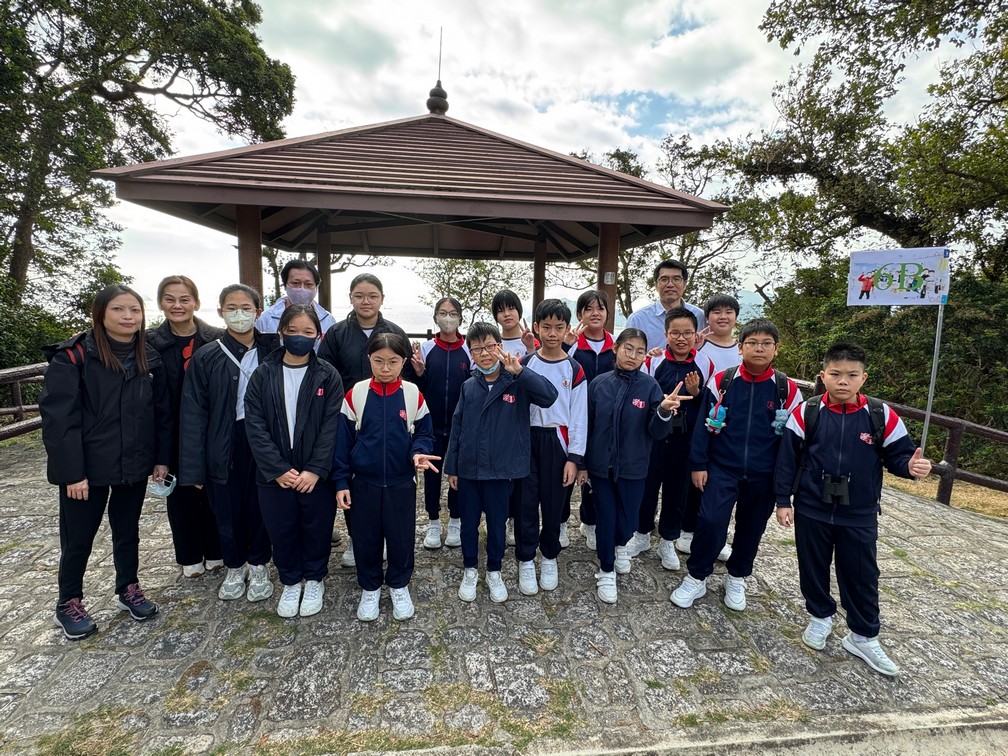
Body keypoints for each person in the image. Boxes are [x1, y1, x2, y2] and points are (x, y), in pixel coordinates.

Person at [774, 341, 932, 677]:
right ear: (823, 376)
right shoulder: (807, 412)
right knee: (812, 566)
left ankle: (863, 635)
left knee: (862, 574)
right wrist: (783, 501)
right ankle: (820, 617)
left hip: (859, 511)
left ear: (864, 378)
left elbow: (899, 456)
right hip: (812, 506)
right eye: (835, 374)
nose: (843, 381)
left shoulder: (880, 415)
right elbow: (787, 460)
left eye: (851, 375)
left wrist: (911, 467)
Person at [40, 285, 170, 639]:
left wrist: (160, 459)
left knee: (127, 531)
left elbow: (160, 413)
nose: (128, 316)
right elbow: (59, 421)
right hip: (87, 467)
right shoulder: (74, 356)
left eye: (135, 310)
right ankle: (68, 602)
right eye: (118, 309)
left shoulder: (149, 356)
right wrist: (72, 473)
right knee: (78, 538)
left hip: (134, 462)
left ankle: (128, 587)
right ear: (100, 313)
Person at [671, 318, 802, 612]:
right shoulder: (723, 381)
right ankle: (697, 575)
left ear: (776, 349)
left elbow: (793, 444)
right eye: (752, 343)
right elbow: (703, 427)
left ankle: (737, 576)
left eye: (766, 343)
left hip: (764, 474)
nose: (759, 348)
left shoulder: (787, 390)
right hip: (722, 467)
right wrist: (698, 464)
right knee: (710, 521)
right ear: (740, 347)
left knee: (751, 528)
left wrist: (784, 489)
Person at [445, 322, 558, 603]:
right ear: (471, 353)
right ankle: (470, 568)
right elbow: (457, 427)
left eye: (489, 346)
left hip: (501, 470)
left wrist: (520, 371)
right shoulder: (468, 386)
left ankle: (494, 570)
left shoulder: (516, 382)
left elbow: (549, 396)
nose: (484, 353)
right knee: (468, 525)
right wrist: (452, 467)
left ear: (500, 347)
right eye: (477, 349)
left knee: (497, 525)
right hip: (470, 469)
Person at [243, 305, 343, 618]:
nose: (300, 337)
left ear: (318, 336)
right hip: (274, 474)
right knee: (281, 527)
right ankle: (290, 580)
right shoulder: (263, 373)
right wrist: (276, 468)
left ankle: (314, 579)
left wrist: (315, 469)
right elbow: (254, 424)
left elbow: (331, 426)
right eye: (293, 331)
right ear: (281, 332)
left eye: (308, 332)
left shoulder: (328, 375)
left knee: (317, 526)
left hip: (315, 473)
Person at [179, 284, 277, 604]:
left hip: (264, 438)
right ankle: (234, 566)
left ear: (258, 312)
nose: (239, 314)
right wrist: (193, 468)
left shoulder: (274, 350)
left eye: (246, 308)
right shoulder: (207, 355)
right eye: (232, 308)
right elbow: (193, 413)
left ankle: (259, 564)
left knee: (260, 504)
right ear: (220, 311)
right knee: (226, 507)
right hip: (223, 440)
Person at [333, 333, 438, 622]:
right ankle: (370, 587)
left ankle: (399, 584)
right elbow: (342, 443)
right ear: (369, 359)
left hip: (401, 482)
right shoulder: (356, 394)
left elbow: (425, 433)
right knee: (365, 537)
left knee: (401, 537)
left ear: (404, 361)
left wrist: (418, 452)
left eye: (393, 362)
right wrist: (341, 481)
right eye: (378, 361)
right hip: (362, 482)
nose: (385, 368)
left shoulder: (413, 394)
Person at [579, 328, 683, 604]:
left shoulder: (650, 387)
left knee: (627, 522)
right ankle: (606, 570)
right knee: (606, 518)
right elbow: (586, 426)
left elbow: (657, 432)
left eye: (639, 351)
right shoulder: (598, 384)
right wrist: (582, 464)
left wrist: (663, 411)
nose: (633, 355)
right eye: (628, 348)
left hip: (634, 468)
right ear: (616, 349)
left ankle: (621, 545)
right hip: (601, 468)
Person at [318, 273, 414, 568]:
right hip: (350, 412)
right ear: (350, 298)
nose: (366, 301)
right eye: (359, 295)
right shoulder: (336, 333)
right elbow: (324, 373)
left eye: (372, 295)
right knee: (354, 478)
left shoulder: (395, 332)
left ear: (382, 298)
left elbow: (408, 377)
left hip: (388, 415)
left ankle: (385, 541)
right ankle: (356, 536)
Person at [147, 275, 224, 577]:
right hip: (169, 429)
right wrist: (158, 455)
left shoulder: (216, 338)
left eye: (184, 299)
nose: (177, 305)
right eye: (170, 299)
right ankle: (189, 555)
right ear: (160, 303)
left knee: (213, 492)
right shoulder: (149, 343)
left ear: (196, 303)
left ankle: (217, 550)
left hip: (211, 426)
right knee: (180, 495)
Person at [627, 308, 715, 570]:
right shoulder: (652, 362)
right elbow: (641, 397)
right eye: (675, 333)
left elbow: (710, 406)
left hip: (685, 440)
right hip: (654, 439)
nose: (681, 338)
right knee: (647, 488)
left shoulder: (706, 363)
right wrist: (661, 403)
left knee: (677, 493)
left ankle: (668, 540)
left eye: (687, 333)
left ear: (695, 335)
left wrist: (696, 393)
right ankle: (641, 534)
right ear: (666, 334)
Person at [516, 299, 587, 595]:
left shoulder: (574, 368)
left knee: (554, 503)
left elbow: (579, 416)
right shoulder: (525, 364)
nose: (553, 333)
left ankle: (549, 556)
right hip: (527, 439)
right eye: (546, 327)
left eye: (559, 327)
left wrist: (574, 458)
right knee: (525, 502)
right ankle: (525, 558)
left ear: (567, 328)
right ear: (536, 328)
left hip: (558, 441)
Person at [679, 293, 742, 558]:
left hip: (735, 429)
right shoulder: (700, 348)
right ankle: (687, 530)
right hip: (700, 423)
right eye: (716, 312)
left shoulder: (743, 348)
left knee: (723, 486)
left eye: (729, 312)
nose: (723, 317)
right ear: (707, 318)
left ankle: (716, 536)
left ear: (736, 317)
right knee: (695, 476)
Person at [410, 297, 471, 550]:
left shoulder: (469, 349)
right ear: (435, 317)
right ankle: (433, 522)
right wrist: (419, 373)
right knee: (432, 475)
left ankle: (455, 520)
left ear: (460, 318)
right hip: (431, 426)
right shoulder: (425, 349)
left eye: (453, 313)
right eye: (443, 313)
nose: (448, 318)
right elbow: (418, 389)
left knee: (459, 473)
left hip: (461, 426)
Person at [562, 289, 616, 550]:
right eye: (588, 309)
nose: (595, 313)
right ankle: (560, 522)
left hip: (604, 422)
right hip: (572, 418)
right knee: (567, 470)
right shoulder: (571, 345)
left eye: (600, 308)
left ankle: (590, 522)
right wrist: (564, 345)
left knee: (596, 472)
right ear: (580, 314)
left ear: (607, 313)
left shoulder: (617, 345)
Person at [490, 288, 537, 546]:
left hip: (526, 414)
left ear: (519, 311)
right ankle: (501, 517)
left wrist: (530, 347)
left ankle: (514, 520)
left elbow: (539, 375)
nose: (507, 314)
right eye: (501, 310)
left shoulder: (531, 341)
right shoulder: (492, 342)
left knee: (522, 474)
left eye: (511, 308)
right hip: (499, 415)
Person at [625, 259, 706, 351]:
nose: (670, 284)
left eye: (676, 279)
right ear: (656, 285)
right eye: (664, 279)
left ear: (684, 284)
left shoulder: (699, 316)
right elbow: (627, 354)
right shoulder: (637, 319)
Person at [255, 260, 336, 341]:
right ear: (285, 285)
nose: (302, 289)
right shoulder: (265, 319)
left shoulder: (328, 320)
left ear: (316, 287)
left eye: (308, 284)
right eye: (296, 283)